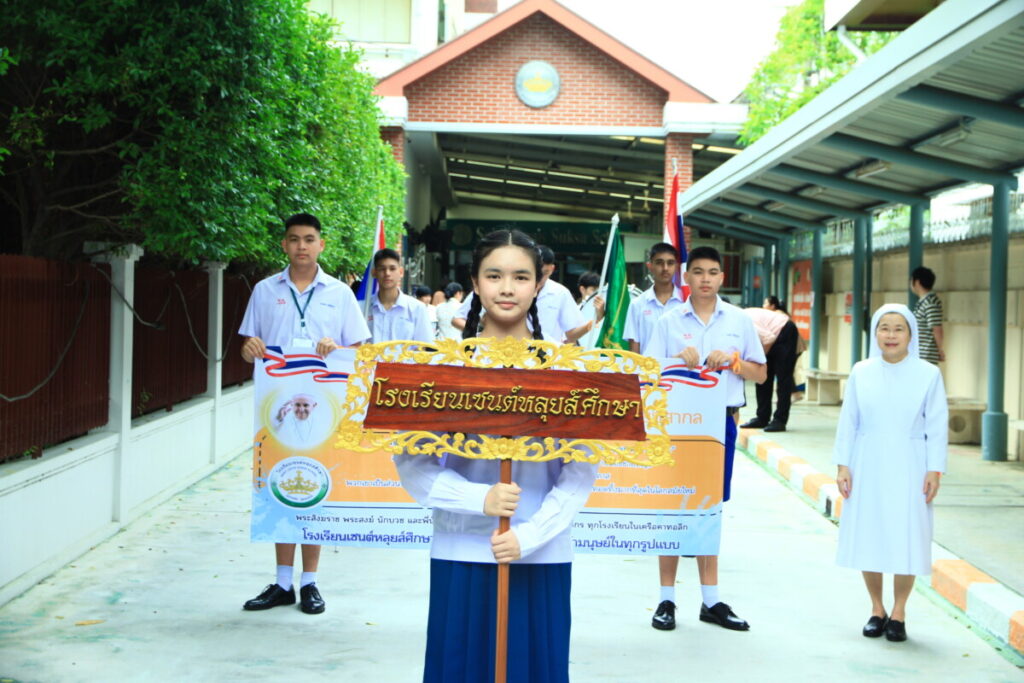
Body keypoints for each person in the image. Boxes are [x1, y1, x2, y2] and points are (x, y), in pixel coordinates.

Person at [394, 230, 598, 683]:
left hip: (540, 552)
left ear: (538, 285)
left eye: (521, 277)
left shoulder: (567, 370)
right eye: (494, 275)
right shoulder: (441, 367)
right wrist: (478, 499)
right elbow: (411, 462)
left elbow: (581, 470)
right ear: (474, 282)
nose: (507, 288)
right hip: (461, 547)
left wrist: (531, 534)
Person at [238, 212, 371, 615]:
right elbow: (250, 345)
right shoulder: (264, 290)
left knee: (316, 488)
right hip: (276, 407)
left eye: (309, 239)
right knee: (279, 484)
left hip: (322, 407)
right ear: (284, 245)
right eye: (294, 239)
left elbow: (358, 351)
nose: (301, 246)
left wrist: (337, 348)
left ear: (321, 245)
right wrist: (249, 349)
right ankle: (282, 583)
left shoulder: (340, 293)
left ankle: (310, 581)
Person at [644, 245, 767, 633]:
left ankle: (711, 600)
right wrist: (677, 362)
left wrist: (732, 361)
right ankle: (666, 598)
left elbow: (760, 373)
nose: (706, 279)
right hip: (677, 424)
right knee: (672, 507)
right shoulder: (668, 322)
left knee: (708, 509)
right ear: (687, 277)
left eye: (713, 272)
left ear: (722, 278)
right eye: (698, 272)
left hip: (719, 424)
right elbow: (648, 375)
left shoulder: (738, 320)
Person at [834, 303, 947, 642]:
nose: (891, 335)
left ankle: (899, 612)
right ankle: (876, 608)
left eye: (899, 328)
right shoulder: (862, 371)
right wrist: (843, 465)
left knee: (906, 535)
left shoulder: (928, 374)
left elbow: (937, 425)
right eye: (884, 327)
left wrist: (935, 469)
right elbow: (848, 421)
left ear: (911, 335)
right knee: (870, 533)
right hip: (867, 461)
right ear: (876, 333)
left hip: (911, 463)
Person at [452, 244, 592, 343]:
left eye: (543, 274)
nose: (507, 290)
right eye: (494, 276)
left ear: (551, 269)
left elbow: (571, 334)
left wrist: (591, 324)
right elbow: (458, 318)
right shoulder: (490, 290)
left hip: (545, 361)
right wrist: (484, 330)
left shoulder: (560, 293)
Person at [741, 303, 799, 432]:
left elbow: (769, 338)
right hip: (771, 336)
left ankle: (780, 420)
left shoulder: (743, 321)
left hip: (784, 330)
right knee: (763, 378)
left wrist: (760, 359)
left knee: (783, 379)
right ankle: (762, 418)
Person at [623, 242, 685, 355]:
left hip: (679, 366)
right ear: (650, 266)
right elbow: (634, 350)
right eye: (659, 263)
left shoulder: (686, 301)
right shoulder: (637, 304)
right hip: (648, 366)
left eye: (670, 263)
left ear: (676, 267)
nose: (665, 268)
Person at [367, 250, 434, 343]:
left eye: (392, 269)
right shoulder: (363, 308)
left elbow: (425, 345)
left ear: (401, 272)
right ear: (374, 273)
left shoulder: (417, 309)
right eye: (382, 269)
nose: (387, 273)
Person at [910, 267, 945, 365]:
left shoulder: (930, 303)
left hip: (926, 355)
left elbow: (936, 328)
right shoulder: (923, 302)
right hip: (919, 354)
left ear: (917, 282)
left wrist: (940, 349)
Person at [575, 271, 605, 350]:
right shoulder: (574, 310)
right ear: (582, 289)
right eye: (593, 290)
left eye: (599, 290)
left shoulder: (606, 310)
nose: (597, 294)